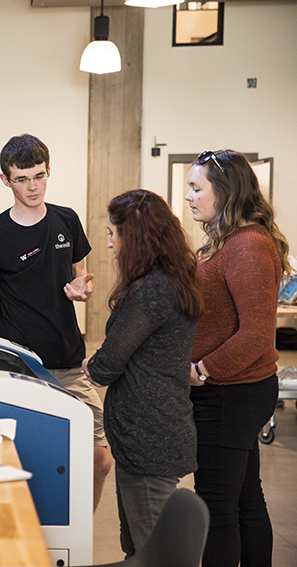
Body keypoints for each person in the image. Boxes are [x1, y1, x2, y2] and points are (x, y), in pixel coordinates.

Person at [0, 133, 112, 510]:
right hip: (17, 365)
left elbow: (80, 277)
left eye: (38, 176)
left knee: (99, 460)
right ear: (6, 180)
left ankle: (78, 539)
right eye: (22, 179)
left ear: (48, 171)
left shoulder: (67, 219)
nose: (32, 186)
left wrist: (81, 288)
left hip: (70, 360)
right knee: (25, 460)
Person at [82, 190, 202, 557]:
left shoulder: (153, 290)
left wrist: (92, 364)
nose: (108, 243)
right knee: (138, 547)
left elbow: (105, 365)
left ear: (133, 238)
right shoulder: (169, 280)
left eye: (112, 233)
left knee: (154, 553)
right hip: (149, 436)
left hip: (150, 440)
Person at [185, 150, 289, 567]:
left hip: (231, 393)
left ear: (225, 191)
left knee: (216, 509)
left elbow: (256, 334)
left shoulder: (247, 245)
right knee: (244, 499)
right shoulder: (229, 240)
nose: (188, 197)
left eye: (197, 188)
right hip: (231, 391)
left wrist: (202, 370)